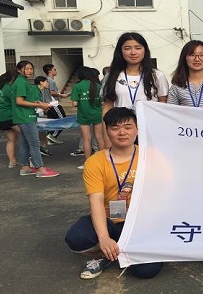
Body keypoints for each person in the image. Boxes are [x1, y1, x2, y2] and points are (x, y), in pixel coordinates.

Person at [65, 107, 163, 279]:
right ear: (107, 131)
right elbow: (96, 200)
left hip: (140, 222)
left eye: (128, 127)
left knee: (147, 271)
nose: (122, 132)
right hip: (109, 220)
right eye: (115, 128)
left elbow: (166, 193)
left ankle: (117, 252)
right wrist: (103, 238)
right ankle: (104, 253)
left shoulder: (151, 156)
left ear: (137, 129)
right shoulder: (95, 162)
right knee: (77, 238)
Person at [102, 32, 169, 147]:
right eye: (127, 48)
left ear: (145, 50)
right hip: (121, 132)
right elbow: (107, 106)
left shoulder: (157, 75)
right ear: (120, 51)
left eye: (138, 48)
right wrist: (106, 137)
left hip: (150, 131)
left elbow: (163, 102)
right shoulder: (112, 76)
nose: (133, 52)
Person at [11, 61, 59, 178]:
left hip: (23, 116)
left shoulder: (23, 82)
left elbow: (27, 100)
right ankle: (40, 168)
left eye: (31, 69)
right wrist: (39, 105)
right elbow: (19, 101)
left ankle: (25, 167)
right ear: (19, 70)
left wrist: (39, 104)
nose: (29, 71)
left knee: (25, 143)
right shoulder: (21, 82)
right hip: (26, 117)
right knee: (35, 143)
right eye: (26, 68)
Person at [71, 67, 105, 169]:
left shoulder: (78, 86)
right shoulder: (98, 86)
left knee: (86, 139)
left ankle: (88, 163)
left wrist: (83, 102)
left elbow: (74, 103)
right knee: (99, 137)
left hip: (83, 115)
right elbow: (102, 102)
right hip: (97, 114)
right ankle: (104, 161)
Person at [0, 70, 19, 168]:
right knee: (27, 134)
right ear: (13, 78)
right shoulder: (10, 88)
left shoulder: (3, 87)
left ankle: (12, 162)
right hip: (10, 116)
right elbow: (17, 102)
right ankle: (29, 161)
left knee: (11, 140)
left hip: (1, 117)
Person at [42, 64, 68, 145]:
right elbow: (52, 92)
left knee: (52, 121)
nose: (56, 71)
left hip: (48, 103)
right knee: (62, 120)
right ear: (50, 71)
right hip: (53, 103)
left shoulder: (46, 80)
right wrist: (61, 95)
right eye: (54, 69)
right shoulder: (50, 80)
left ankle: (49, 138)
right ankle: (52, 136)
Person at [34, 76, 53, 156]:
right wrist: (44, 105)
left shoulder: (40, 91)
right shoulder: (34, 90)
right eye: (46, 82)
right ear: (41, 82)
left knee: (42, 131)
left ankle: (43, 148)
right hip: (34, 115)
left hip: (39, 113)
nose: (48, 84)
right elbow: (35, 102)